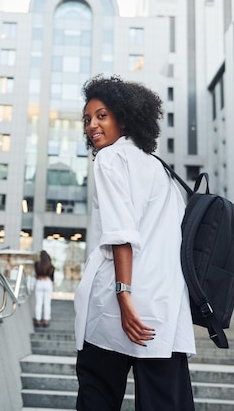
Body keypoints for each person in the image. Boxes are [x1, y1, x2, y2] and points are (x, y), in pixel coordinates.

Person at [74, 74, 196, 411]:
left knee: (97, 394)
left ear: (124, 118)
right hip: (162, 307)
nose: (92, 126)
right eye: (87, 119)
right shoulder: (161, 170)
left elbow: (121, 234)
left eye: (102, 115)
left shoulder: (111, 159)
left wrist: (124, 294)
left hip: (117, 305)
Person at [33, 250, 55, 328]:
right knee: (47, 303)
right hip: (47, 282)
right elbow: (52, 278)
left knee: (38, 303)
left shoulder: (37, 264)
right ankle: (46, 320)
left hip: (39, 282)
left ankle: (38, 320)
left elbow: (36, 274)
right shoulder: (51, 266)